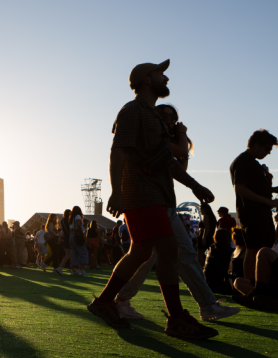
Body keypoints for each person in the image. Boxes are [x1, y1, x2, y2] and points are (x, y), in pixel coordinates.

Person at [87, 59, 219, 339]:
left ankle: (103, 302)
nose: (166, 78)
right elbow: (118, 152)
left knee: (141, 252)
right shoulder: (132, 110)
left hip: (155, 194)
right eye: (161, 73)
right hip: (141, 194)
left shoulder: (153, 116)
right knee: (169, 251)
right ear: (147, 79)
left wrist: (195, 185)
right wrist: (117, 192)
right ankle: (176, 318)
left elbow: (166, 162)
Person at [230, 129, 278, 279]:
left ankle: (259, 285)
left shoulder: (253, 163)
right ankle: (249, 286)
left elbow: (251, 187)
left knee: (264, 248)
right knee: (254, 249)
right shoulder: (243, 161)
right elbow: (240, 188)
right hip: (252, 213)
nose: (268, 152)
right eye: (267, 148)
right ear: (256, 145)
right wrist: (269, 201)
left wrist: (272, 189)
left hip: (260, 213)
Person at [233, 218, 278, 311]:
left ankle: (258, 296)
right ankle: (277, 302)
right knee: (238, 282)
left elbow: (267, 259)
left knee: (264, 252)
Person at [204, 228, 234, 295]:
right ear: (227, 239)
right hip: (219, 285)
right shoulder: (226, 251)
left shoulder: (211, 249)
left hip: (208, 283)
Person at [68, 206, 88, 276]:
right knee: (84, 252)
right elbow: (78, 224)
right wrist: (82, 232)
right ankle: (81, 269)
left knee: (74, 253)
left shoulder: (71, 218)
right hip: (77, 235)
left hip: (71, 236)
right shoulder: (78, 216)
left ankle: (73, 270)